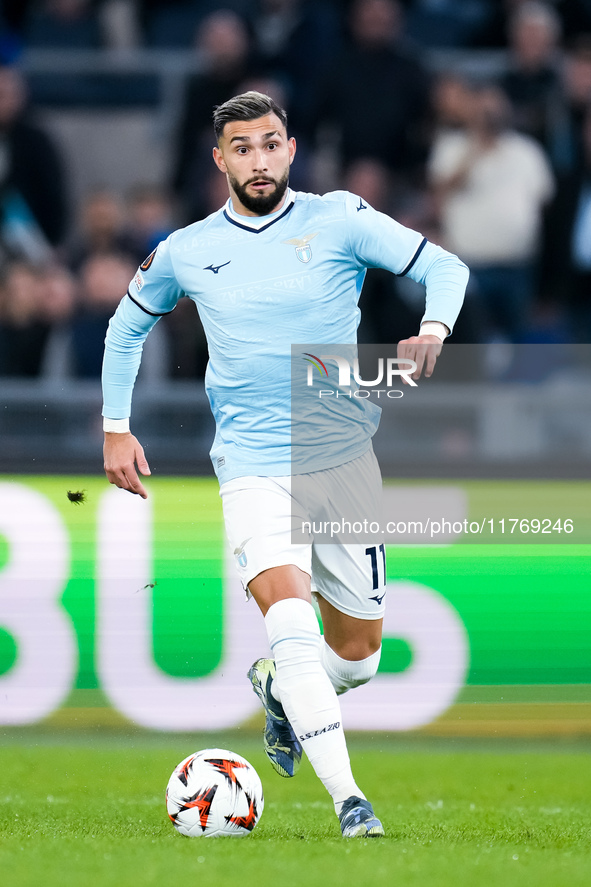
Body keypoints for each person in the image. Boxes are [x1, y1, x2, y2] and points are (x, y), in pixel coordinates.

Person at [101, 91, 468, 838]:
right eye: (242, 148)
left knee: (359, 657)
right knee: (290, 623)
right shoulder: (187, 249)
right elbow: (125, 327)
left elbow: (447, 267)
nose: (258, 159)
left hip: (341, 457)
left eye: (270, 144)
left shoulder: (338, 218)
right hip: (252, 462)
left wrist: (431, 329)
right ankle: (349, 801)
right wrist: (115, 425)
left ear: (290, 149)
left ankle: (278, 691)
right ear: (220, 160)